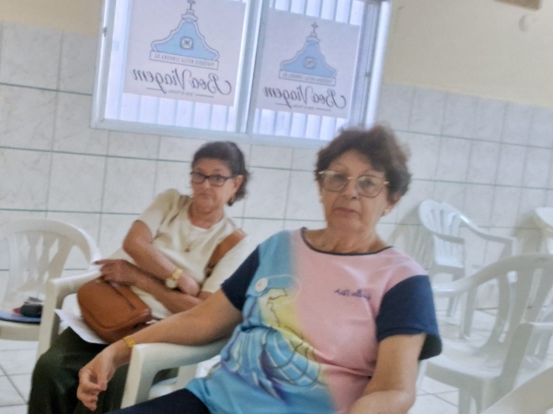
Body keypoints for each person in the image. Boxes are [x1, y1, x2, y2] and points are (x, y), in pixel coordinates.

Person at [77, 125, 442, 414]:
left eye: (369, 183)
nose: (350, 192)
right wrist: (118, 351)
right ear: (321, 187)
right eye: (337, 177)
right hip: (212, 403)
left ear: (392, 200)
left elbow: (394, 389)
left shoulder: (402, 279)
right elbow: (202, 320)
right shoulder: (279, 248)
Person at [29, 141, 254, 414]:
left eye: (217, 177)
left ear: (236, 183)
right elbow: (134, 242)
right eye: (198, 174)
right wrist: (179, 279)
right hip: (113, 314)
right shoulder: (171, 202)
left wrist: (139, 277)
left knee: (108, 384)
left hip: (165, 334)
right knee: (51, 368)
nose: (205, 184)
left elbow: (201, 312)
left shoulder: (234, 242)